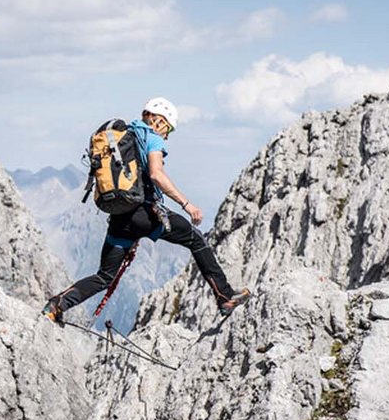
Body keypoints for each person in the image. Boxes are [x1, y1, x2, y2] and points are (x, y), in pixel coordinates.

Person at [46, 97, 250, 322]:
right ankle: (225, 296)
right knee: (196, 240)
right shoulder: (152, 138)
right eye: (168, 129)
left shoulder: (125, 136)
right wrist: (187, 204)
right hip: (145, 214)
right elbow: (156, 174)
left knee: (104, 276)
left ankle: (57, 304)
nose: (167, 135)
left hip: (120, 218)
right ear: (159, 121)